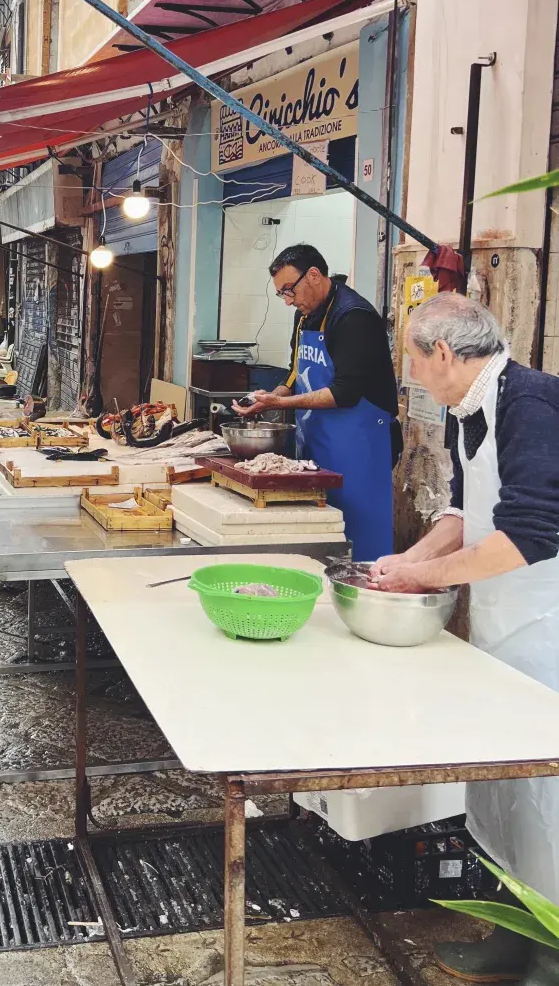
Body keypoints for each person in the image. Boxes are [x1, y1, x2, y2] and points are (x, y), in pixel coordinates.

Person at [368, 294, 559, 982]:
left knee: (547, 797)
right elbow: (463, 512)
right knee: (501, 782)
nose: (415, 376)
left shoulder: (530, 405)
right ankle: (511, 933)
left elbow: (531, 535)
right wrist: (406, 564)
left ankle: (551, 953)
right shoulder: (466, 410)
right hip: (504, 622)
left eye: (415, 362)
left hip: (550, 624)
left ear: (443, 353)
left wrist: (432, 581)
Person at [233, 243, 400, 561]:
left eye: (288, 290)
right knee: (319, 536)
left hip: (361, 449)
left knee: (357, 538)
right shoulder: (304, 316)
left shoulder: (353, 317)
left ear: (312, 275)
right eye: (281, 294)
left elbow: (345, 393)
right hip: (316, 444)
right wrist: (272, 396)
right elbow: (295, 373)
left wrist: (279, 406)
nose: (287, 301)